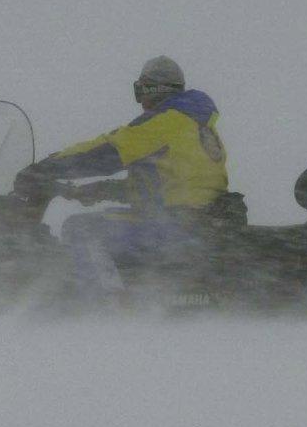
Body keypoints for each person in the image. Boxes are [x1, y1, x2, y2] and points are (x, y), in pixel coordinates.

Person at [13, 56, 229, 301]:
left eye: (140, 90)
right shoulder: (198, 125)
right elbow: (169, 185)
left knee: (82, 229)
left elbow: (107, 152)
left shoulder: (167, 121)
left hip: (175, 225)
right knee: (103, 225)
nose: (140, 101)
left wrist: (45, 168)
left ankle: (104, 308)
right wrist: (100, 191)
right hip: (193, 223)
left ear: (153, 88)